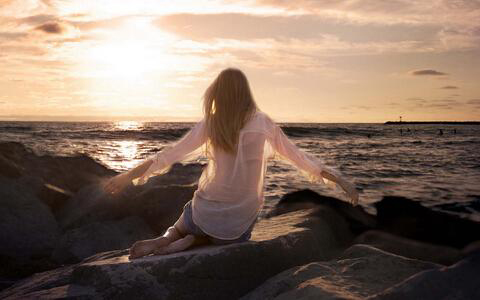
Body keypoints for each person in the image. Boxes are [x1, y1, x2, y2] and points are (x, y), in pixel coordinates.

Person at [104, 68, 359, 259]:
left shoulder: (211, 124)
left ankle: (169, 238)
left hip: (204, 210)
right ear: (245, 93)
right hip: (238, 223)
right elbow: (299, 158)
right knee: (225, 233)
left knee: (181, 224)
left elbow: (169, 154)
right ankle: (194, 243)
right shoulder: (263, 123)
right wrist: (339, 180)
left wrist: (127, 176)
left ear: (218, 93)